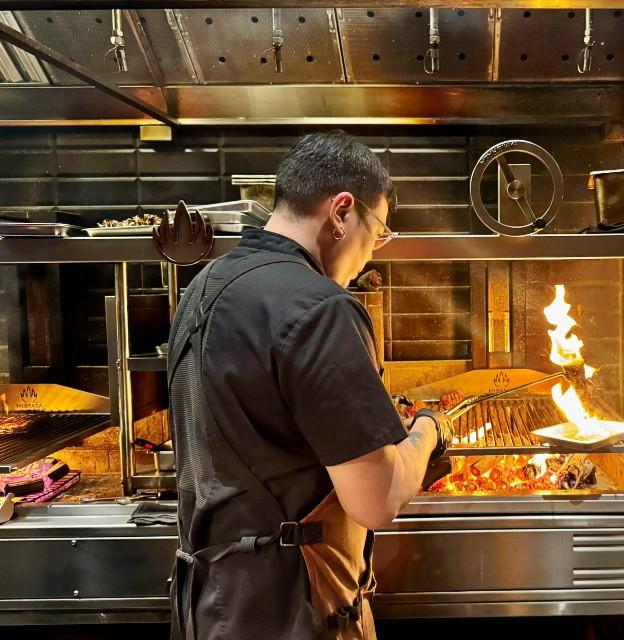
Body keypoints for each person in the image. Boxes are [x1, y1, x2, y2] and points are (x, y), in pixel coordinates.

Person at [167, 131, 452, 640]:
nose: (372, 254)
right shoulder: (320, 307)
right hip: (289, 609)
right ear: (342, 210)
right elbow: (376, 499)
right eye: (379, 231)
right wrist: (427, 431)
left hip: (208, 604)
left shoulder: (205, 286)